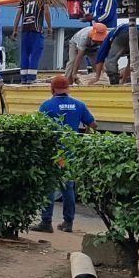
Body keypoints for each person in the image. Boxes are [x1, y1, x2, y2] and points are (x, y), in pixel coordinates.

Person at [30, 75, 96, 233]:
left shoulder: (46, 105)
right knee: (68, 188)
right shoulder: (79, 105)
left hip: (53, 153)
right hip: (71, 152)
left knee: (49, 187)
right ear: (68, 89)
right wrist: (84, 137)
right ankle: (68, 223)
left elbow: (40, 128)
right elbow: (93, 124)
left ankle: (46, 222)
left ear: (52, 89)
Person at [13, 0, 51, 84]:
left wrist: (15, 29)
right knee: (35, 53)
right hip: (36, 29)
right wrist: (49, 26)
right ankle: (31, 78)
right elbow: (46, 11)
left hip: (25, 29)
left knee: (24, 54)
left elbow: (18, 14)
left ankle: (23, 78)